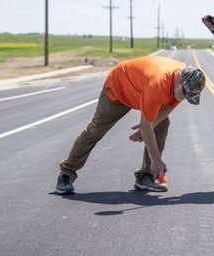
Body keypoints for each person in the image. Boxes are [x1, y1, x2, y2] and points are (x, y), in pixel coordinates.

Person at [55, 55, 206, 194]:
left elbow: (167, 109)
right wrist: (156, 159)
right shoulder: (158, 84)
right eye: (186, 94)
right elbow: (147, 126)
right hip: (118, 90)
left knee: (162, 124)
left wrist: (144, 128)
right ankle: (66, 173)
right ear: (180, 82)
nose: (186, 98)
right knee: (96, 130)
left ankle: (145, 177)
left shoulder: (187, 79)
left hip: (141, 90)